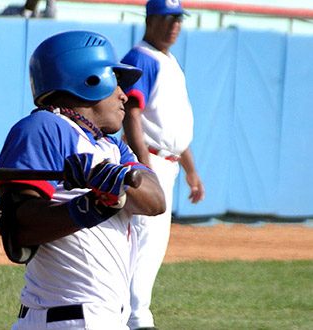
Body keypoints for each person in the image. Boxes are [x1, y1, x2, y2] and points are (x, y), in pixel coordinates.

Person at [0, 30, 166, 330]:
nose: (124, 95)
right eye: (116, 80)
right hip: (66, 319)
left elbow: (156, 201)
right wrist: (91, 205)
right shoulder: (44, 128)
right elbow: (20, 230)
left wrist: (115, 178)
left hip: (103, 319)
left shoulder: (112, 147)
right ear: (89, 79)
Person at [120, 1, 205, 329]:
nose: (175, 25)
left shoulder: (167, 60)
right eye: (168, 18)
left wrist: (191, 170)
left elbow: (175, 129)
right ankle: (136, 319)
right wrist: (145, 168)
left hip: (165, 162)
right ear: (150, 20)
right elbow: (132, 115)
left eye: (179, 19)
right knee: (142, 246)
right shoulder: (142, 57)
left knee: (151, 249)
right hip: (151, 161)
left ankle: (133, 316)